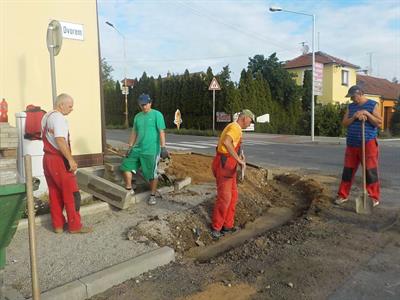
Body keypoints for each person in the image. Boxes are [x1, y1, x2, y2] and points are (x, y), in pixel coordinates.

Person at [41, 93, 92, 234]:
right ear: (61, 104)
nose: (72, 109)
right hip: (59, 160)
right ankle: (75, 226)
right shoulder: (59, 119)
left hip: (47, 159)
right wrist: (70, 160)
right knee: (72, 194)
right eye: (70, 106)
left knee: (54, 193)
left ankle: (58, 225)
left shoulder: (46, 116)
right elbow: (60, 140)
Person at [211, 109, 255, 239]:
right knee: (225, 198)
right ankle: (216, 228)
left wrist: (241, 155)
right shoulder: (235, 128)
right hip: (224, 165)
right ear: (245, 118)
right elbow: (227, 142)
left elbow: (234, 144)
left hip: (229, 167)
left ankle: (227, 226)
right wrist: (238, 160)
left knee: (233, 196)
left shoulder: (235, 128)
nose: (250, 123)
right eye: (250, 121)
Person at [336, 85, 382, 207]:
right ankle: (342, 195)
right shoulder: (351, 107)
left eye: (353, 97)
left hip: (368, 143)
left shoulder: (373, 104)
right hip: (352, 143)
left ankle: (373, 197)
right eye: (350, 97)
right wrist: (354, 117)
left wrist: (367, 114)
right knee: (348, 171)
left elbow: (379, 122)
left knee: (370, 171)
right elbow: (345, 123)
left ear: (360, 94)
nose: (352, 99)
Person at [120, 94, 169, 205]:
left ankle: (152, 195)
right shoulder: (138, 116)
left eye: (145, 104)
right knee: (126, 165)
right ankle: (129, 188)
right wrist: (130, 146)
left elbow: (161, 132)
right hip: (137, 148)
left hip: (151, 150)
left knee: (152, 174)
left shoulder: (157, 115)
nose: (144, 107)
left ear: (150, 103)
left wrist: (163, 147)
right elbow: (134, 132)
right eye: (141, 105)